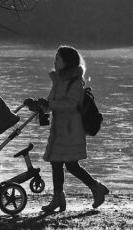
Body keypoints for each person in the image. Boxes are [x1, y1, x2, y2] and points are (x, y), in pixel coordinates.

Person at [36, 46, 108, 213]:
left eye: (58, 59)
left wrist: (50, 105)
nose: (54, 62)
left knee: (71, 165)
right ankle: (58, 198)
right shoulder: (57, 81)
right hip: (59, 129)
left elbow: (71, 104)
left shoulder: (76, 83)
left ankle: (96, 188)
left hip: (71, 130)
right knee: (56, 163)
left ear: (66, 62)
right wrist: (40, 106)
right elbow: (51, 104)